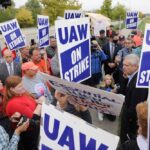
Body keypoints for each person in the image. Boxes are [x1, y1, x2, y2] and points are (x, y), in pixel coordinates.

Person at [3, 75, 42, 150]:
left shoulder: (22, 93)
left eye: (23, 84)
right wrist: (40, 104)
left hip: (36, 130)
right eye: (20, 86)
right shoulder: (14, 104)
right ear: (12, 89)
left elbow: (32, 101)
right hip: (30, 135)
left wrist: (37, 101)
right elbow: (34, 120)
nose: (24, 87)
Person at [119, 54, 148, 144]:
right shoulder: (130, 76)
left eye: (126, 65)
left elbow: (134, 109)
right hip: (126, 117)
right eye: (123, 65)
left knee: (124, 143)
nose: (123, 67)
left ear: (136, 66)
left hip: (130, 125)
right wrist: (124, 78)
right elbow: (123, 92)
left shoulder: (138, 84)